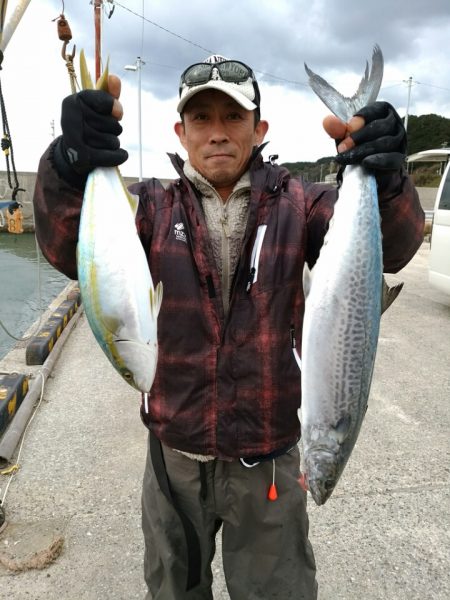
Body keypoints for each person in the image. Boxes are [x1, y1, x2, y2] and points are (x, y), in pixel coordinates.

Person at [33, 54, 424, 599]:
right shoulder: (146, 207)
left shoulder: (301, 203)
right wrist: (67, 163)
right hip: (175, 463)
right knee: (173, 591)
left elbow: (397, 245)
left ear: (259, 128)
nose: (217, 133)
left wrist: (387, 177)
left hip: (266, 465)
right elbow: (64, 245)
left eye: (233, 118)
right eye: (202, 119)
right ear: (181, 130)